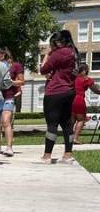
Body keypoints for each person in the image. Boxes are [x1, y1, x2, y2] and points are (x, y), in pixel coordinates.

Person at [39, 30, 78, 163]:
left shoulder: (58, 53)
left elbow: (43, 69)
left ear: (59, 42)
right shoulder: (74, 52)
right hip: (70, 91)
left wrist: (47, 54)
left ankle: (47, 155)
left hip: (55, 91)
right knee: (67, 124)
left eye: (54, 43)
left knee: (52, 124)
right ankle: (68, 154)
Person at [0, 48, 24, 157]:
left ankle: (9, 147)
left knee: (6, 121)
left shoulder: (15, 66)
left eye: (1, 53)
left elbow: (22, 81)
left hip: (8, 97)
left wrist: (10, 82)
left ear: (5, 54)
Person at [73, 64, 100, 144]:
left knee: (71, 121)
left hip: (70, 99)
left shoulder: (73, 78)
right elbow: (95, 90)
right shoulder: (86, 79)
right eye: (87, 70)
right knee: (80, 119)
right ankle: (75, 139)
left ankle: (68, 139)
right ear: (84, 70)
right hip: (79, 100)